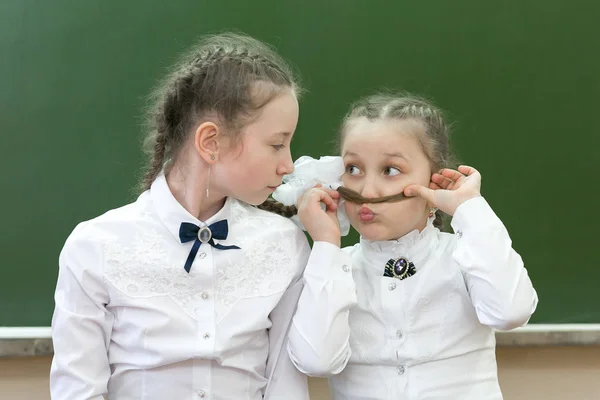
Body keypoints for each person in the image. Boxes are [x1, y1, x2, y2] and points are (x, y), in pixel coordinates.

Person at [50, 32, 325, 400]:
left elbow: (284, 385)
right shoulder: (95, 247)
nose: (287, 164)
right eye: (277, 144)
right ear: (210, 142)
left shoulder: (284, 244)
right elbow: (78, 390)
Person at [283, 92, 538, 399]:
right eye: (353, 169)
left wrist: (470, 209)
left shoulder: (463, 255)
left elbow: (510, 312)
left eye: (390, 170)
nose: (368, 190)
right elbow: (316, 360)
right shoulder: (335, 269)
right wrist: (325, 245)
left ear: (432, 182)